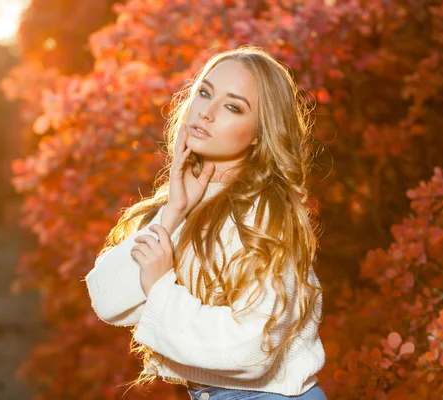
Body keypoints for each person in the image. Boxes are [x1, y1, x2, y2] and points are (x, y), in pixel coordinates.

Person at [85, 45, 327, 400]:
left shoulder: (265, 215)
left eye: (232, 106)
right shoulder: (186, 201)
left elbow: (252, 348)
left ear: (260, 133)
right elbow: (106, 298)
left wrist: (159, 286)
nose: (207, 112)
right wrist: (172, 214)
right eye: (204, 92)